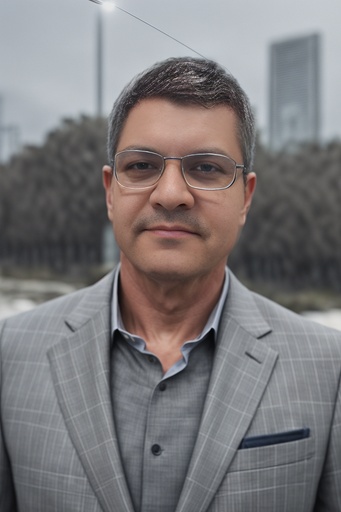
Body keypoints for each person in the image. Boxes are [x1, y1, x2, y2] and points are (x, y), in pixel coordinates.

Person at [0, 57, 340, 512]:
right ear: (110, 190)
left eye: (206, 168)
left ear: (246, 196)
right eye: (142, 166)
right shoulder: (11, 355)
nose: (171, 194)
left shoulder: (328, 369)